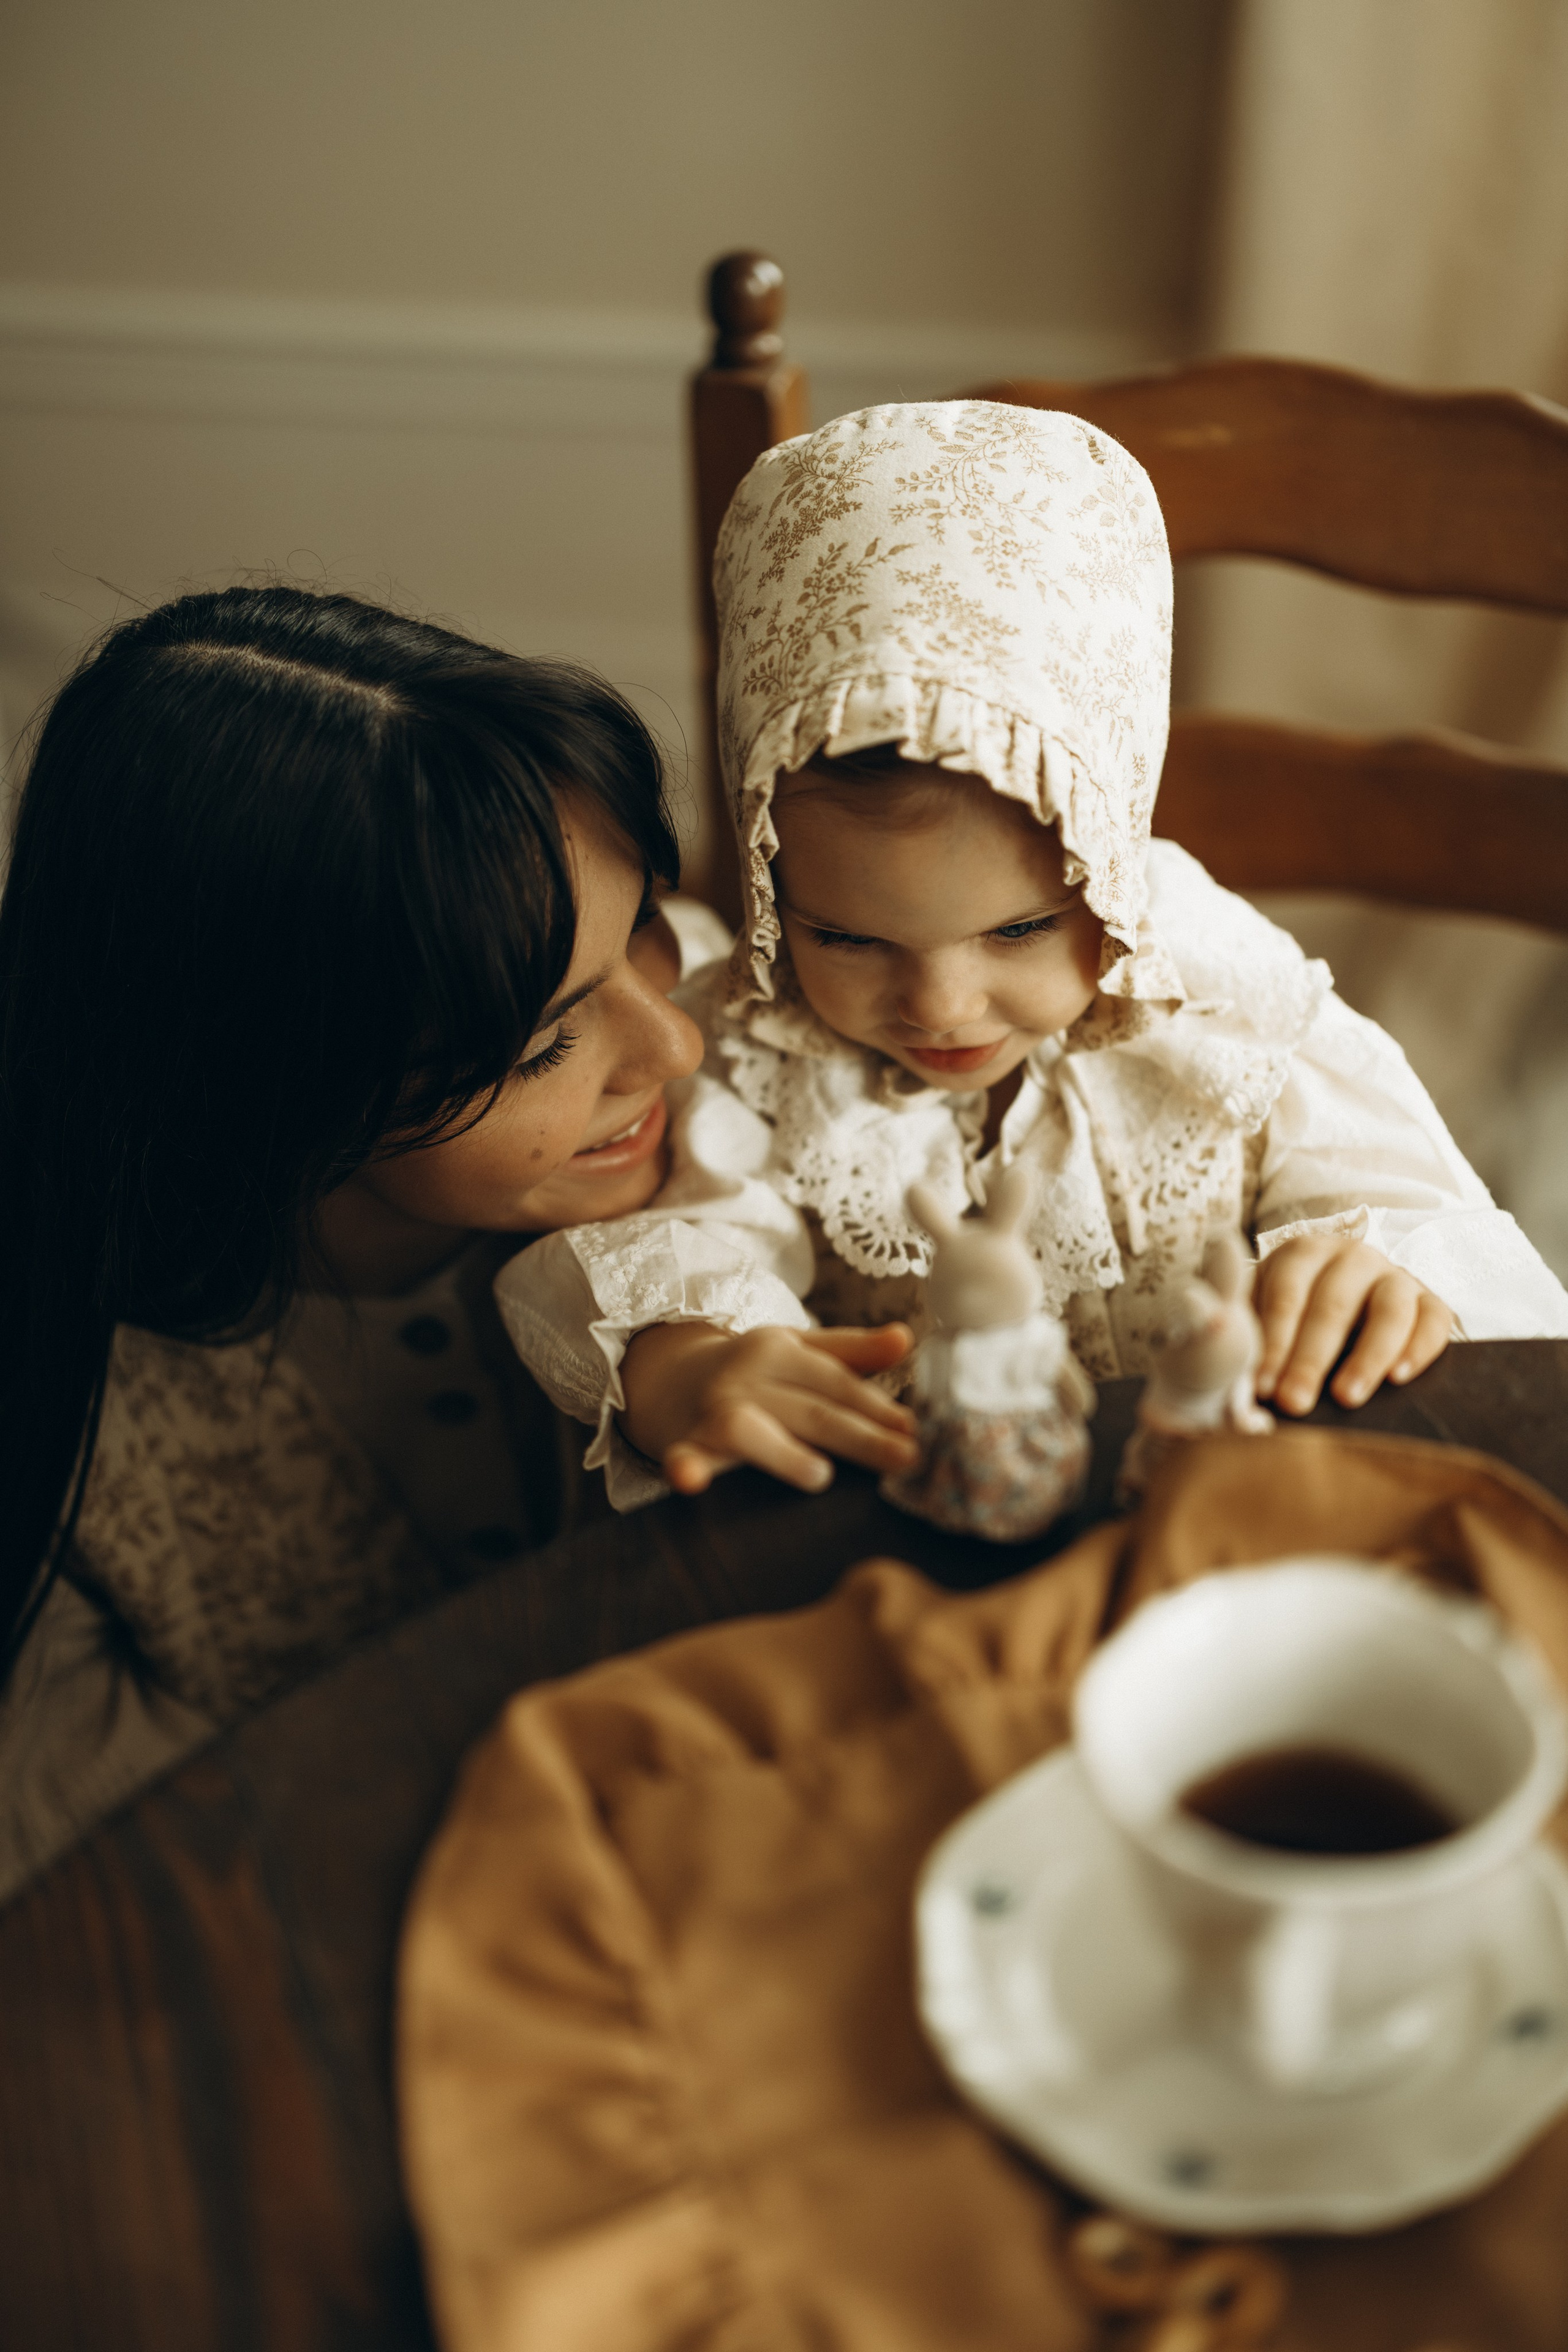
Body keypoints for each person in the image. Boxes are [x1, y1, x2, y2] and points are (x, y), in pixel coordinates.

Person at [496, 401, 1568, 1506]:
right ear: (775, 886)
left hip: (1231, 1502)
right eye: (848, 936)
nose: (942, 1006)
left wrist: (1380, 1268)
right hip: (924, 1529)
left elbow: (1415, 1198)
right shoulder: (756, 1041)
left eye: (1018, 930)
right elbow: (690, 1247)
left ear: (1108, 858)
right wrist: (700, 1358)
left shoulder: (1213, 984)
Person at [0, 583, 715, 1896]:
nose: (674, 1043)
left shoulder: (768, 1084)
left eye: (648, 929)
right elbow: (136, 1893)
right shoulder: (68, 1439)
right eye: (546, 1041)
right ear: (262, 1083)